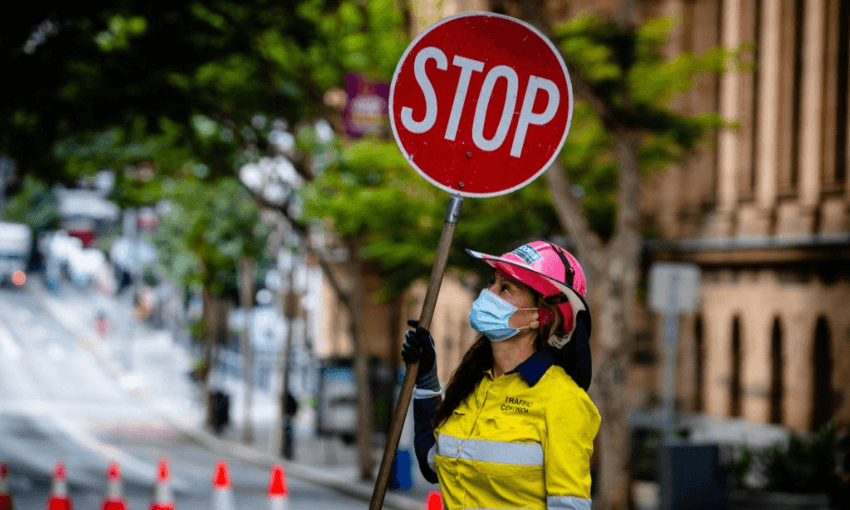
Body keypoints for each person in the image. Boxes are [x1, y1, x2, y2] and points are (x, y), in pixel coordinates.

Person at [402, 240, 600, 510]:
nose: (488, 294)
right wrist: (426, 378)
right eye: (492, 283)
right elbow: (431, 463)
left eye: (506, 288)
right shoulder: (473, 386)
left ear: (541, 315)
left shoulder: (564, 401)